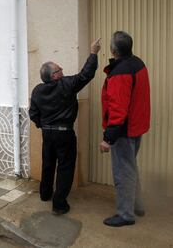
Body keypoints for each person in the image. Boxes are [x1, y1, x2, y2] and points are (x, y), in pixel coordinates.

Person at [29, 39, 101, 215]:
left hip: (48, 134)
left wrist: (43, 126)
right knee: (65, 167)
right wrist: (93, 52)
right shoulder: (67, 84)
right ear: (54, 75)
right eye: (60, 69)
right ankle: (59, 204)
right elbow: (86, 75)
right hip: (64, 134)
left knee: (48, 164)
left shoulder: (37, 90)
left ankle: (45, 194)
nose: (63, 71)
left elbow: (33, 114)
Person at [100, 31, 150, 227]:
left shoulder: (120, 73)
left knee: (123, 172)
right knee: (131, 168)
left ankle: (125, 214)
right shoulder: (138, 63)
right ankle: (138, 205)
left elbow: (118, 109)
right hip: (135, 126)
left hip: (124, 131)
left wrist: (108, 138)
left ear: (113, 50)